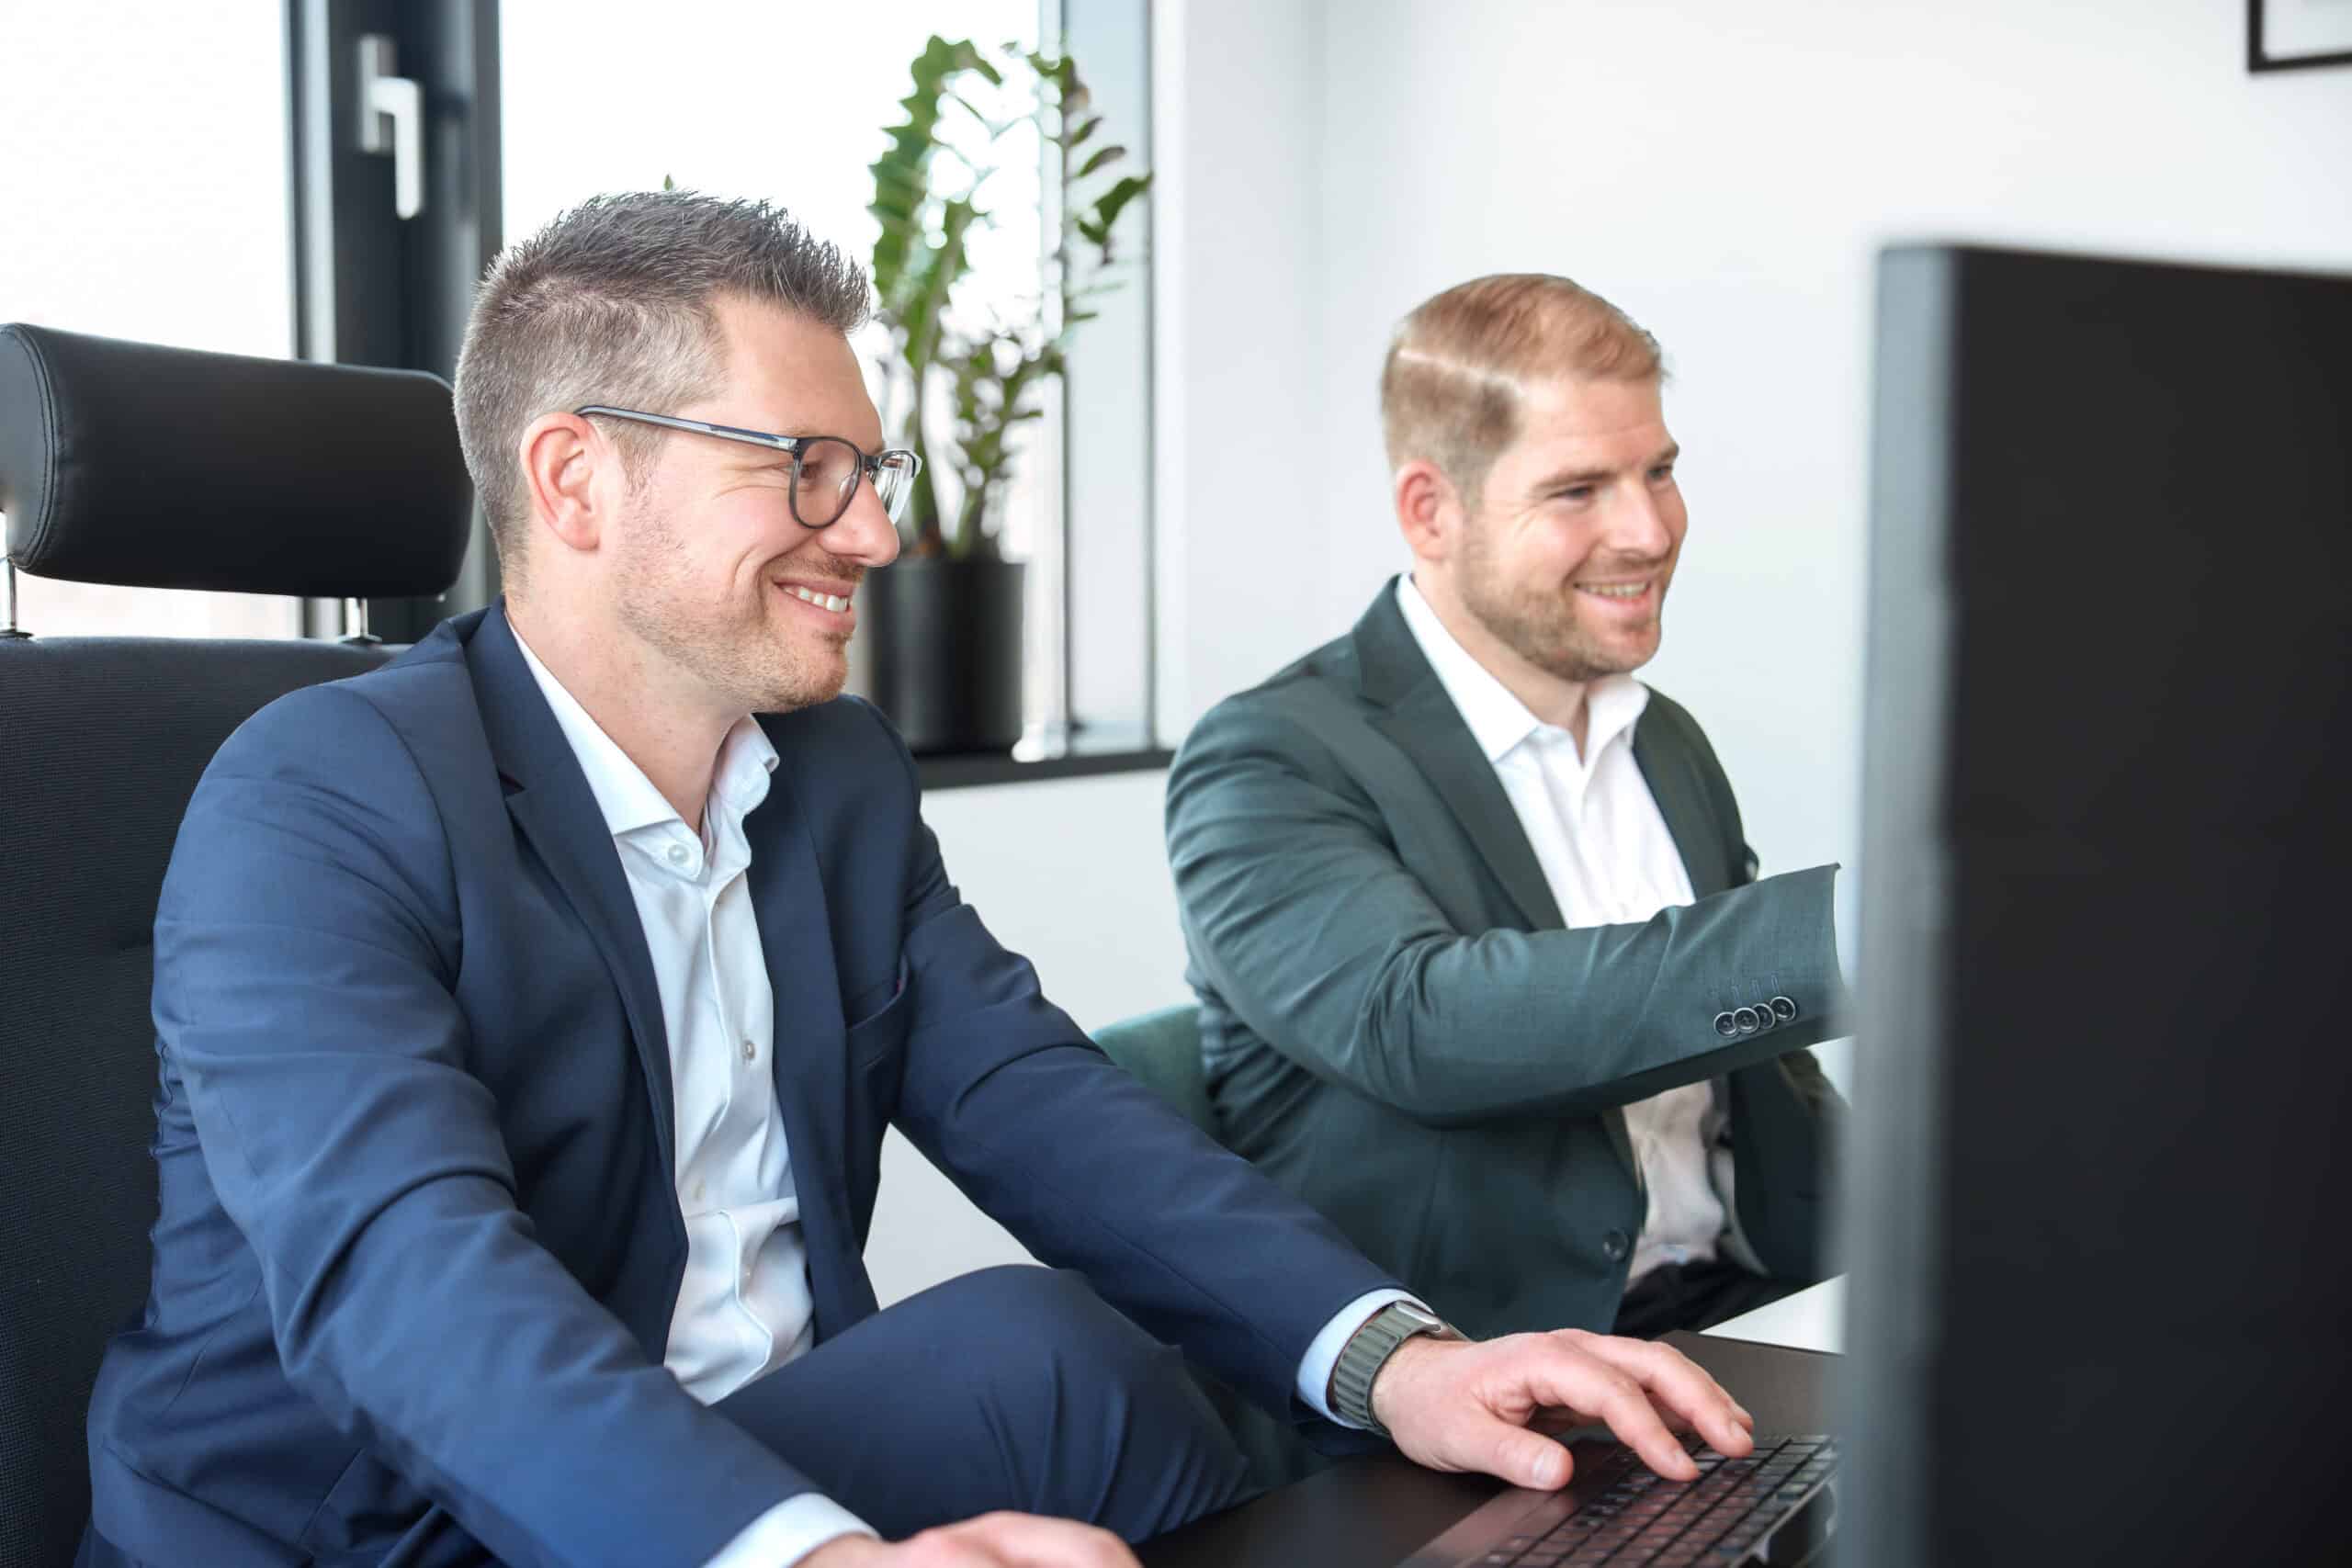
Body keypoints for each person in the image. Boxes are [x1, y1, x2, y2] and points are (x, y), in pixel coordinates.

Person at [76, 202, 1757, 1568]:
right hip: (402, 1526)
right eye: (804, 466)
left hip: (745, 1457)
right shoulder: (317, 794)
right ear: (577, 479)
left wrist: (1409, 1362)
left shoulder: (834, 777)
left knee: (1051, 1349)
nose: (873, 534)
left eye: (868, 473)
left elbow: (1043, 1106)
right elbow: (410, 1281)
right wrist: (806, 1561)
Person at [1165, 273, 1849, 1476]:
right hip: (1475, 1410)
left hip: (1743, 1336)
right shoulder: (1271, 755)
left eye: (1660, 470)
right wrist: (1859, 924)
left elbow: (1756, 1056)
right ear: (1432, 510)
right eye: (1580, 490)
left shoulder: (1666, 739)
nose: (1649, 530)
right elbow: (1429, 1023)